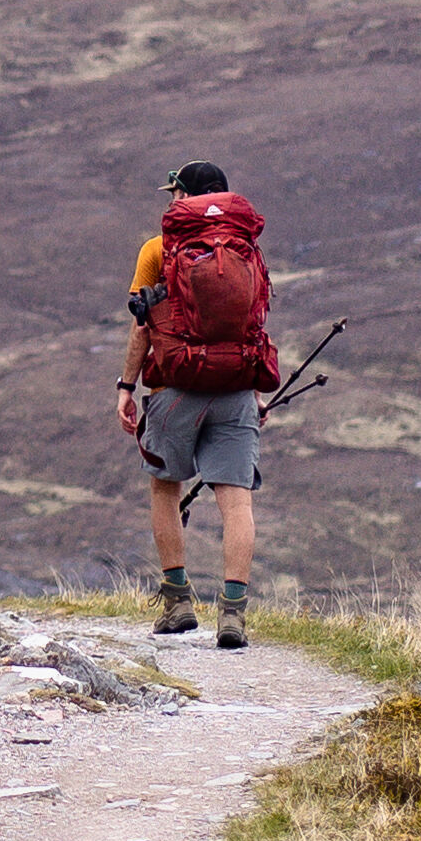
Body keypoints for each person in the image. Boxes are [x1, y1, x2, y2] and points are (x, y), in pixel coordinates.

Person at [117, 160, 276, 643]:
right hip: (235, 389)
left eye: (174, 193)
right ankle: (233, 613)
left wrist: (126, 387)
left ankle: (177, 602)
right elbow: (249, 324)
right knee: (236, 499)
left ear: (184, 196)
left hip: (173, 389)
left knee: (165, 487)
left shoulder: (157, 249)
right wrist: (250, 389)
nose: (169, 201)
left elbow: (144, 324)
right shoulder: (247, 250)